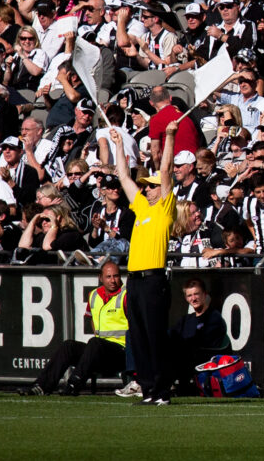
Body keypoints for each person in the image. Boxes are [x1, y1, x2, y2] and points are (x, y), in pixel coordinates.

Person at [114, 121, 178, 406]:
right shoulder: (141, 207)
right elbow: (123, 176)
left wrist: (170, 136)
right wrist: (117, 144)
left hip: (153, 279)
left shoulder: (164, 209)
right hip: (136, 279)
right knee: (138, 336)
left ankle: (162, 390)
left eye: (151, 188)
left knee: (155, 336)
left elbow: (165, 171)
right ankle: (149, 388)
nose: (147, 190)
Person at [18, 261, 128, 396]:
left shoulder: (126, 295)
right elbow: (92, 318)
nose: (113, 280)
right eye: (108, 277)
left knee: (94, 343)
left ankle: (73, 384)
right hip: (99, 350)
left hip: (121, 351)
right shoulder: (94, 295)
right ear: (101, 278)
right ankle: (42, 386)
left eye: (116, 276)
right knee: (68, 346)